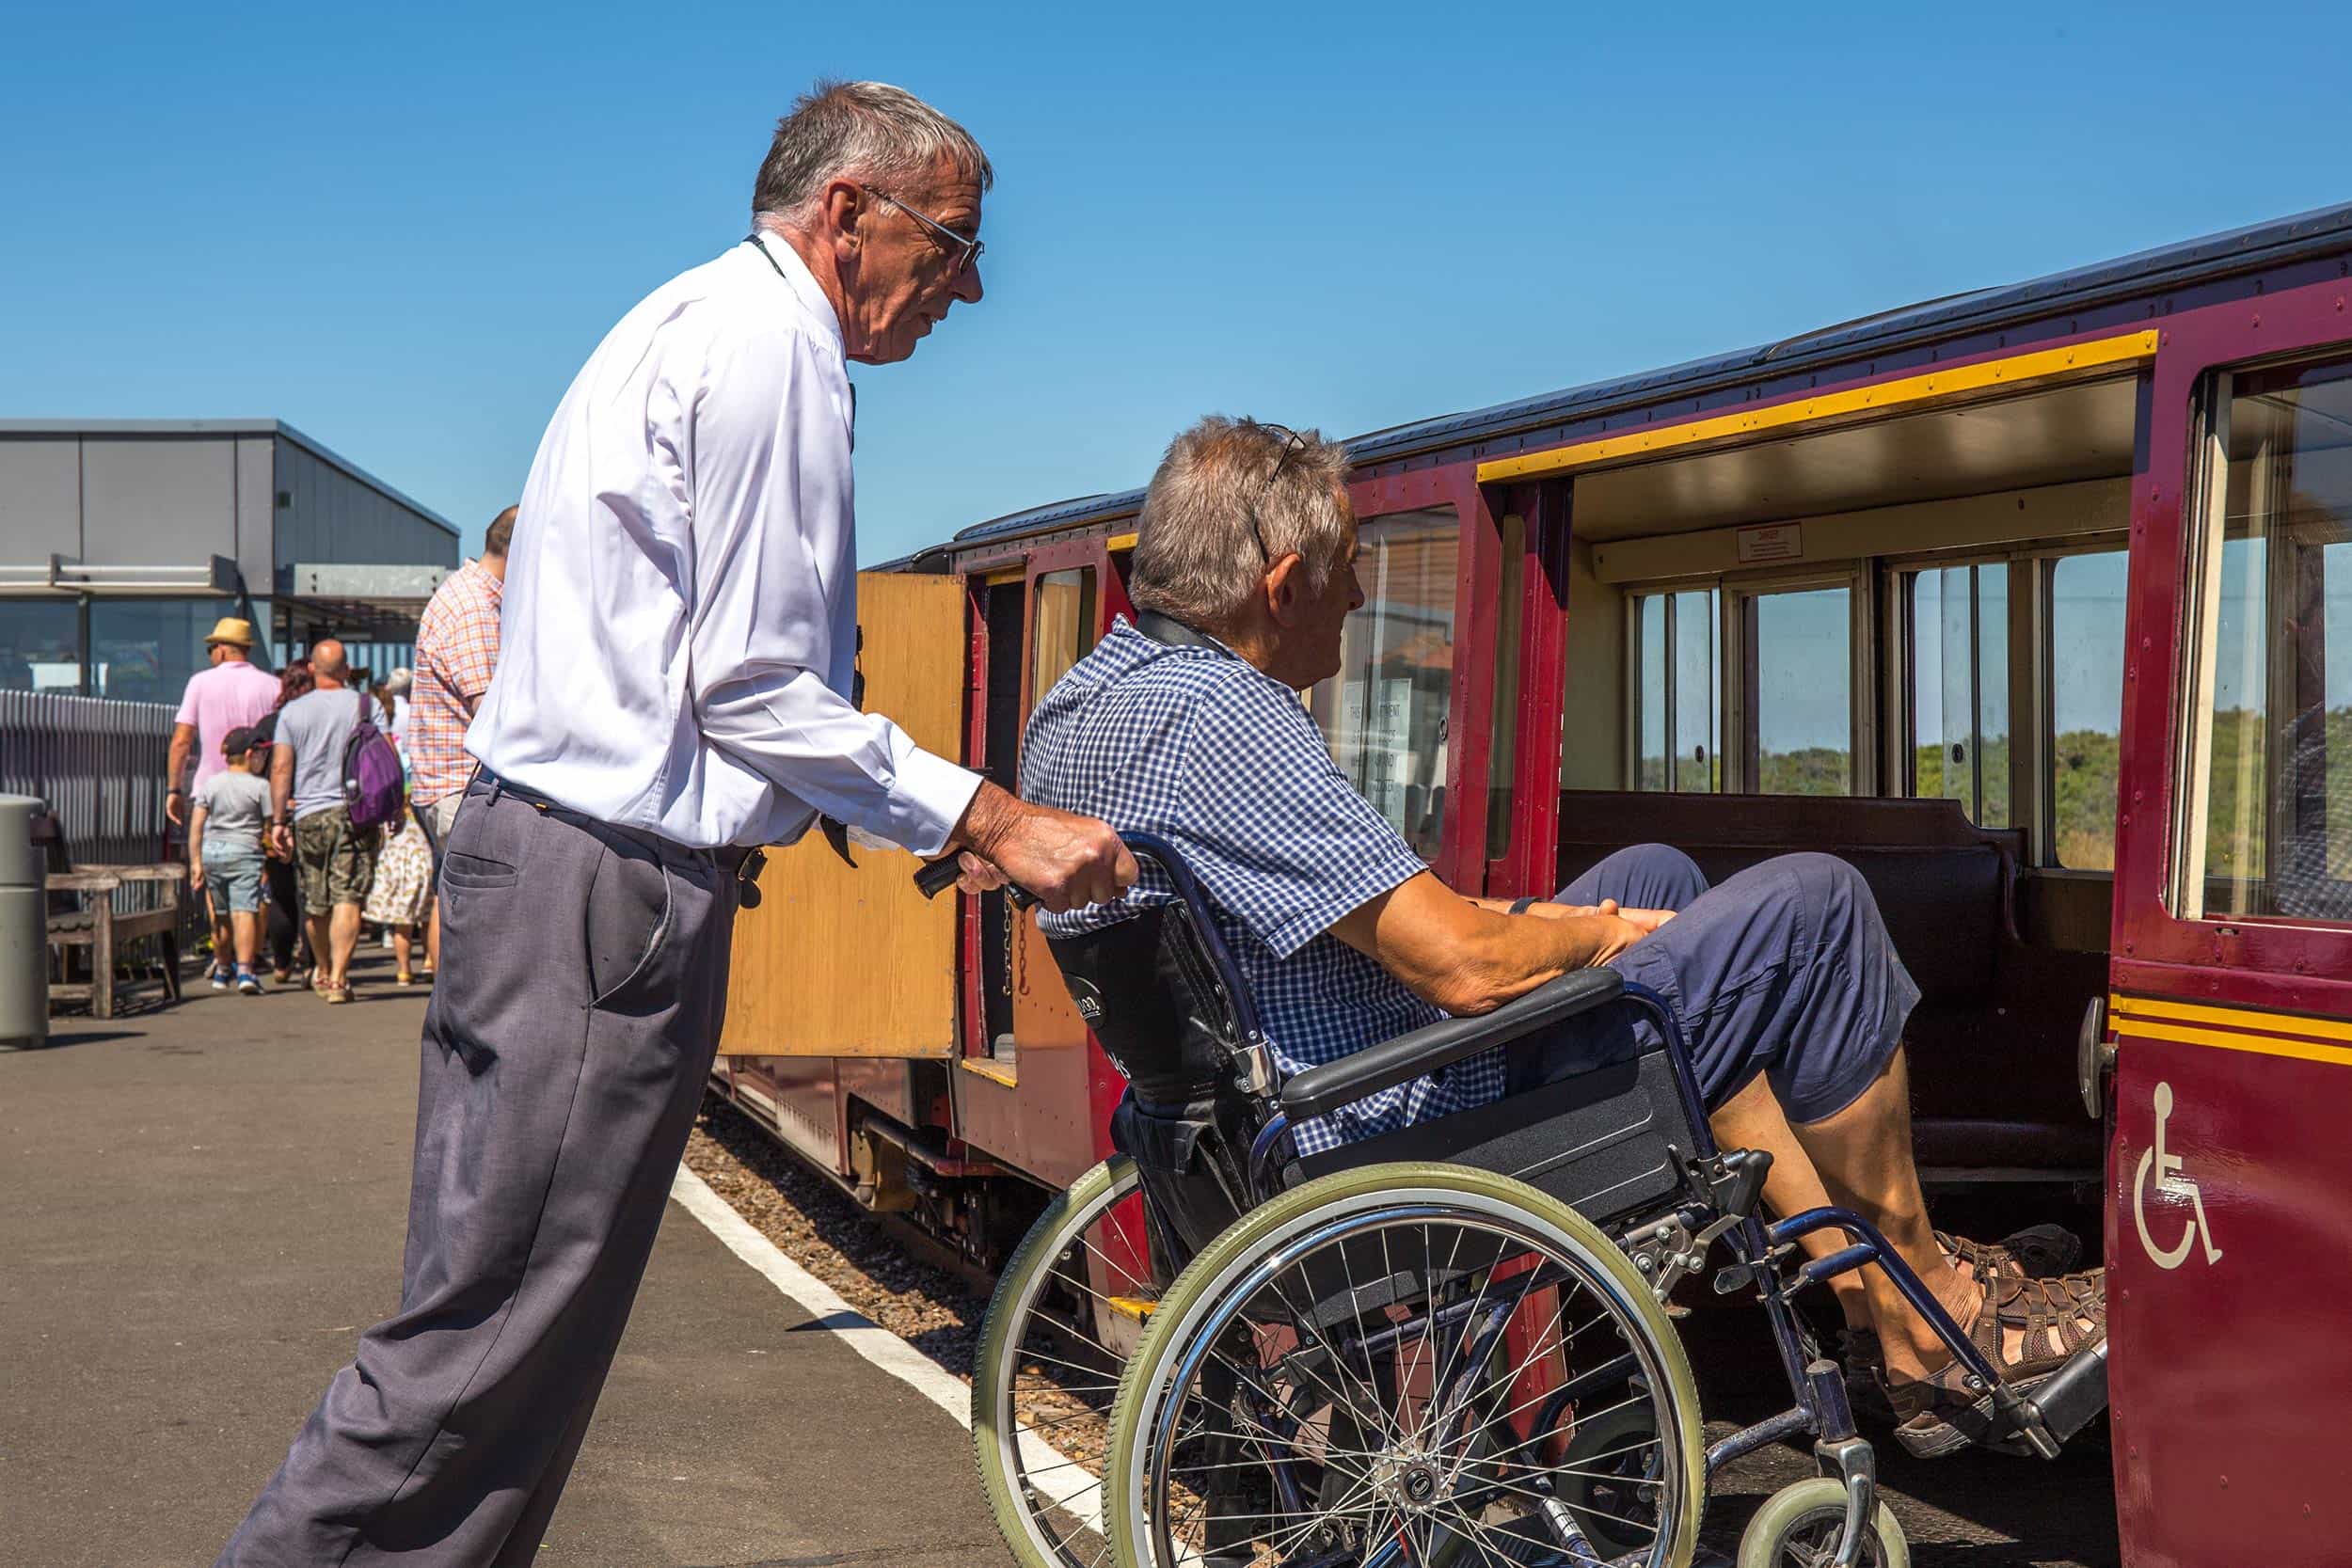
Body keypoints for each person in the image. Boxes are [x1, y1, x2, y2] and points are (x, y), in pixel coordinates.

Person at [217, 81, 1132, 1567]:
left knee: (491, 1339)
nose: (967, 290)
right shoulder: (778, 351)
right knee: (481, 1353)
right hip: (604, 890)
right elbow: (754, 684)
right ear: (849, 215)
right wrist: (994, 815)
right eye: (954, 246)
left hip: (551, 869)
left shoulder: (686, 318)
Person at [1020, 416, 2105, 1461]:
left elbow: (1338, 927)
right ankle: (1932, 1312)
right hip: (1405, 1124)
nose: (1356, 595)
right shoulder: (1226, 716)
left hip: (1273, 1117)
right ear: (1283, 581)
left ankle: (1857, 1276)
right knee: (1817, 910)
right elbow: (1462, 965)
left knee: (1654, 880)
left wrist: (1579, 923)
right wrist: (1579, 941)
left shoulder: (1080, 706)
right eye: (1347, 569)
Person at [408, 505, 516, 977]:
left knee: (452, 898)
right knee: (477, 913)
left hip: (449, 786)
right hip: (462, 786)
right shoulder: (475, 608)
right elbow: (492, 716)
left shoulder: (470, 596)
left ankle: (450, 999)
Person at [165, 617, 280, 988]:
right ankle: (252, 954)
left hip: (209, 789)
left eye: (211, 647)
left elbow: (183, 740)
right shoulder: (271, 685)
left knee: (214, 881)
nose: (210, 654)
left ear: (222, 648)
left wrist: (173, 789)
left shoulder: (200, 683)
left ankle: (223, 957)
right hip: (257, 791)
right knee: (256, 878)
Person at [265, 639, 378, 1005]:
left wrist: (279, 820)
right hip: (355, 811)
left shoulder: (293, 713)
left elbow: (281, 768)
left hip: (310, 814)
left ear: (312, 669)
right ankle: (340, 979)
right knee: (348, 896)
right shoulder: (367, 705)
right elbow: (385, 757)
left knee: (315, 900)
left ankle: (324, 969)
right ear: (346, 670)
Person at [189, 726, 274, 995]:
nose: (264, 759)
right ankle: (246, 970)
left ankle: (223, 968)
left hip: (213, 853)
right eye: (261, 753)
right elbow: (269, 825)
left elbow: (197, 825)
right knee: (244, 911)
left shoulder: (212, 784)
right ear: (250, 754)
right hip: (244, 853)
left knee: (220, 914)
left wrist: (196, 861)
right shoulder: (261, 786)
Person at [252, 660, 315, 984]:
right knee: (312, 892)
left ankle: (280, 963)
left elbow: (261, 768)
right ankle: (313, 963)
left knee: (280, 892)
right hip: (311, 810)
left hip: (273, 815)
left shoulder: (267, 725)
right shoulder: (315, 718)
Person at [361, 800, 433, 986]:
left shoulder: (389, 782)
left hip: (397, 853)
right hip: (422, 851)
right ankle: (429, 962)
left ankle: (404, 969)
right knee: (428, 919)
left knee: (403, 922)